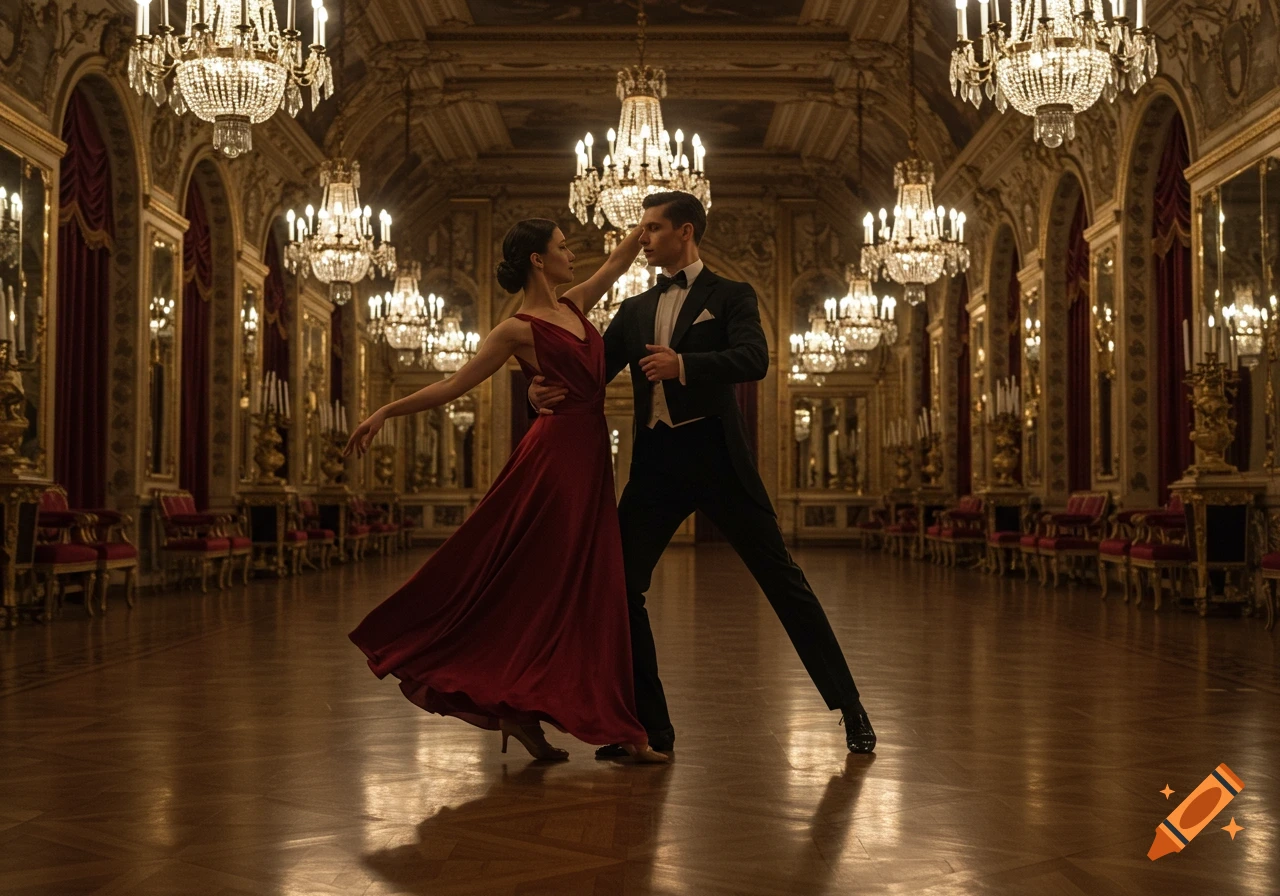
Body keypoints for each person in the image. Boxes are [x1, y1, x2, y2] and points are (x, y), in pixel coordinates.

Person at [530, 191, 876, 756]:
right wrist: (540, 389)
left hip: (719, 460)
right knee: (620, 588)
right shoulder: (634, 309)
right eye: (642, 228)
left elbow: (755, 360)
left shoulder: (732, 295)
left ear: (685, 231)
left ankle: (851, 707)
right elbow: (589, 373)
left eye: (652, 228)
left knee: (784, 583)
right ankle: (650, 729)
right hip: (656, 468)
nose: (641, 238)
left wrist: (684, 365)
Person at [345, 218, 667, 764]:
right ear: (538, 260)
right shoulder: (514, 330)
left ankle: (531, 715)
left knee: (584, 587)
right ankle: (620, 731)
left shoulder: (575, 304)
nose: (571, 254)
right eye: (562, 246)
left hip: (588, 460)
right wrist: (386, 410)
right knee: (567, 586)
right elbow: (455, 383)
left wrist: (646, 224)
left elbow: (616, 264)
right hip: (555, 464)